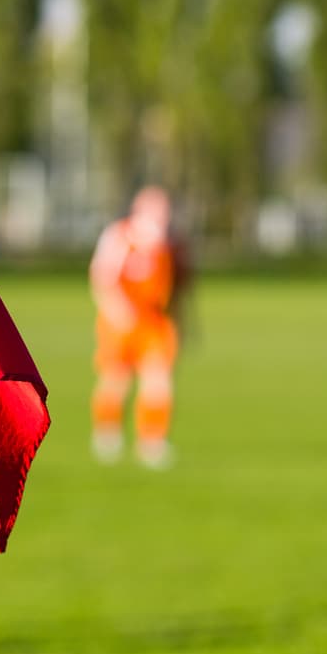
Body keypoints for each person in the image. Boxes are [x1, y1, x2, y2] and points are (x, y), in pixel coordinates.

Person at [89, 186, 184, 469]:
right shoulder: (120, 236)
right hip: (120, 322)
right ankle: (107, 435)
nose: (162, 215)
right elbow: (101, 276)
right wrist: (116, 309)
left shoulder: (168, 244)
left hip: (154, 323)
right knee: (116, 379)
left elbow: (174, 287)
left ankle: (152, 441)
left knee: (158, 379)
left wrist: (178, 319)